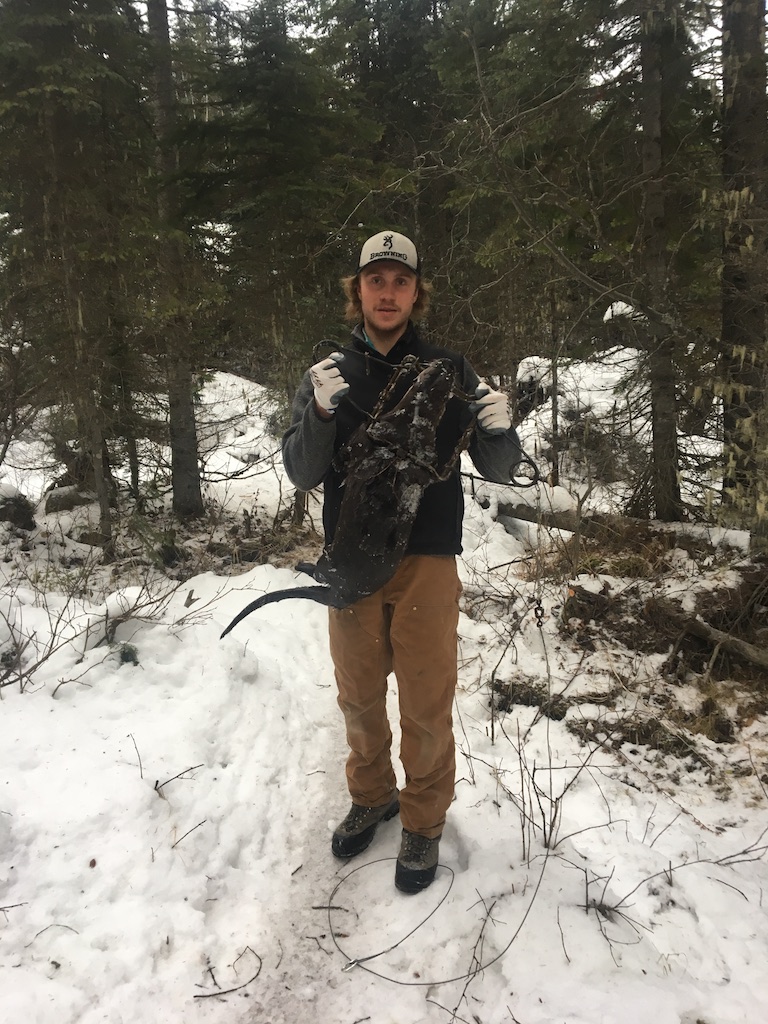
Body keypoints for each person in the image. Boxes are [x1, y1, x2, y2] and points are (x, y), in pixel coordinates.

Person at [282, 231, 523, 894]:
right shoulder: (328, 371)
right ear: (357, 291)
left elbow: (500, 467)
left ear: (417, 293)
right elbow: (302, 472)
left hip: (426, 561)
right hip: (351, 564)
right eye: (375, 280)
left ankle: (422, 819)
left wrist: (502, 427)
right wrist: (321, 412)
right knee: (358, 697)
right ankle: (373, 796)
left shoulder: (450, 368)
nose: (387, 293)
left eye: (400, 281)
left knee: (424, 702)